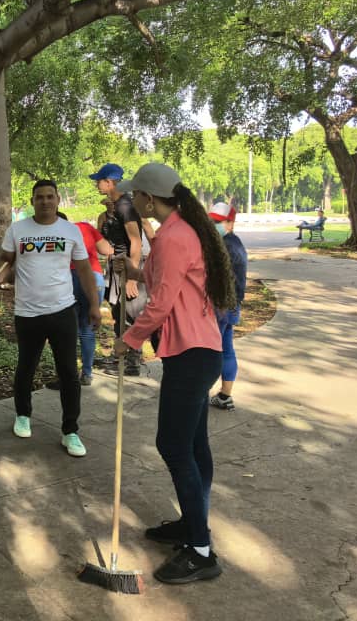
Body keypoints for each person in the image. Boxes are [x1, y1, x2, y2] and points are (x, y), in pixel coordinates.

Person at [112, 163, 235, 584]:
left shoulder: (172, 236)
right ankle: (192, 524)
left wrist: (129, 338)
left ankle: (201, 551)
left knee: (174, 446)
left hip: (190, 354)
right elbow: (166, 279)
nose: (132, 202)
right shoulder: (184, 230)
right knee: (194, 446)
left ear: (148, 198)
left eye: (135, 197)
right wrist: (131, 271)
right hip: (200, 352)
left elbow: (160, 303)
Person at [0, 180, 101, 458]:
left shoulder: (70, 230)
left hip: (63, 310)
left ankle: (70, 431)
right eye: (40, 197)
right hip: (28, 311)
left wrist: (95, 305)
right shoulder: (19, 229)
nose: (45, 201)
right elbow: (5, 261)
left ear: (58, 200)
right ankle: (23, 414)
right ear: (32, 200)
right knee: (26, 366)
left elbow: (85, 271)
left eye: (50, 197)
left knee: (68, 373)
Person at [90, 163, 145, 376]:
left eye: (99, 181)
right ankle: (120, 356)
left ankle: (132, 362)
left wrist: (132, 278)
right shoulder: (115, 208)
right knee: (118, 313)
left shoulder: (125, 206)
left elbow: (136, 242)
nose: (97, 185)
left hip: (127, 267)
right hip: (115, 265)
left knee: (130, 313)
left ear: (109, 182)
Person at [207, 203, 248, 410]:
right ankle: (225, 395)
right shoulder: (234, 243)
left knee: (211, 350)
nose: (212, 225)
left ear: (230, 224)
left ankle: (200, 392)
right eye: (211, 221)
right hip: (231, 305)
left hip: (221, 305)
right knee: (226, 349)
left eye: (217, 222)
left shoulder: (225, 246)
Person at [72, 219, 112, 386]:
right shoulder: (85, 227)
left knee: (70, 330)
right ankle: (87, 373)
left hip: (70, 277)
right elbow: (107, 249)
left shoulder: (58, 231)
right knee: (88, 329)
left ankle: (69, 374)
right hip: (94, 277)